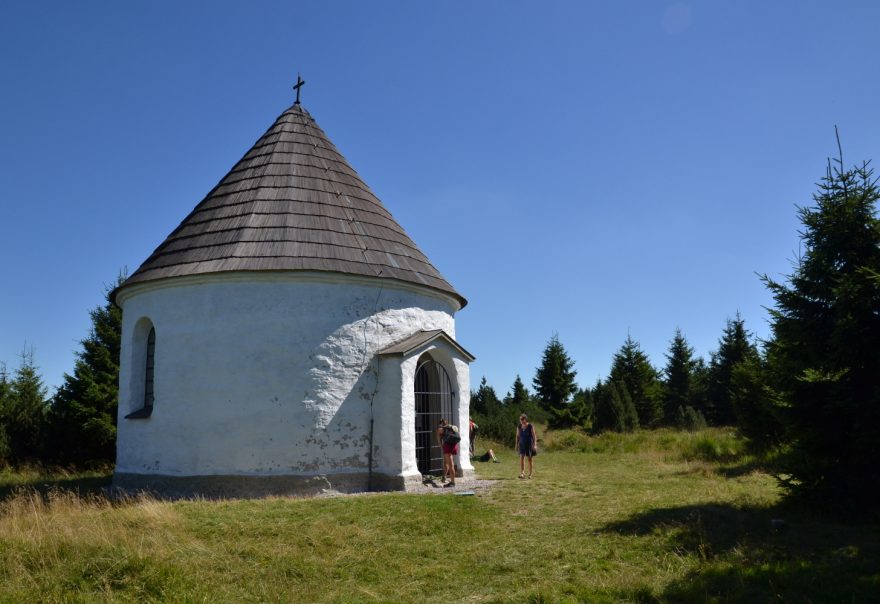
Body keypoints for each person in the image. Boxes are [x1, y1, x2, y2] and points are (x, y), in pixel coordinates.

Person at [437, 418, 459, 487]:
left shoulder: (440, 429)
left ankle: (452, 482)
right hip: (454, 445)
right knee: (448, 463)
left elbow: (439, 441)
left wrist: (441, 446)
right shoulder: (450, 427)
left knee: (450, 464)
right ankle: (446, 478)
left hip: (448, 446)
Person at [515, 413, 537, 479]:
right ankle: (522, 473)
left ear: (525, 419)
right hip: (522, 444)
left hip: (529, 444)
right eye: (520, 419)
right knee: (521, 458)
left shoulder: (530, 426)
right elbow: (517, 436)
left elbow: (534, 436)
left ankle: (530, 474)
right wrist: (516, 445)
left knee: (529, 459)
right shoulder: (519, 426)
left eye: (522, 419)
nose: (521, 420)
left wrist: (535, 444)